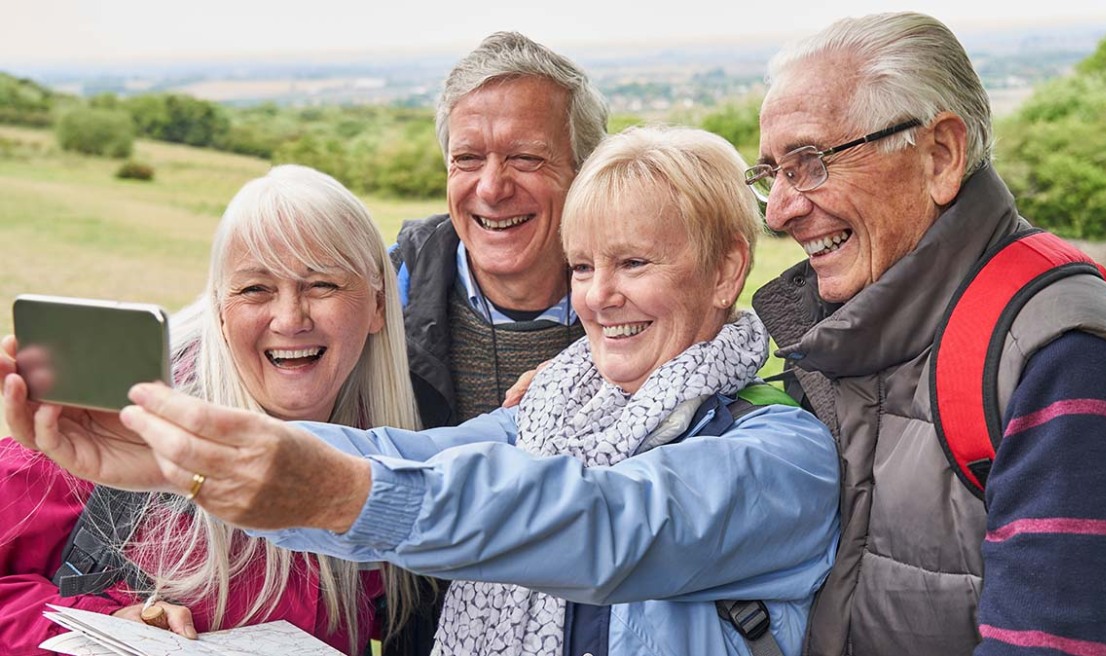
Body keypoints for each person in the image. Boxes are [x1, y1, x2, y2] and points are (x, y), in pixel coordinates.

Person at [4, 125, 841, 656]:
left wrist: (336, 493)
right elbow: (401, 456)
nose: (599, 297)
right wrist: (174, 458)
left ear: (727, 270)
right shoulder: (549, 414)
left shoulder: (782, 456)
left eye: (634, 262)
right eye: (583, 266)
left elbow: (605, 525)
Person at [746, 11, 1106, 655]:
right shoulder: (851, 325)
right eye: (770, 174)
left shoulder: (1064, 360)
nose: (779, 211)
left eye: (809, 163)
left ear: (940, 156)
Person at [0, 164, 425, 655]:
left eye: (322, 285)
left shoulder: (393, 460)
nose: (290, 319)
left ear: (377, 305)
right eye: (255, 289)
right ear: (220, 310)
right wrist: (104, 624)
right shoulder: (118, 422)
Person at [392, 31, 608, 428]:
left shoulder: (649, 302)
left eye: (525, 158)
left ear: (585, 171)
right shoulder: (382, 294)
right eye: (468, 158)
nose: (491, 189)